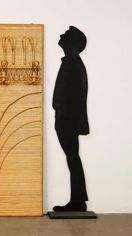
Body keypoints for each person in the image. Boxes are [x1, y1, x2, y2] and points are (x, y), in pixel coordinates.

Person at [52, 26, 89, 211]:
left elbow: (76, 96)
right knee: (72, 157)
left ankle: (78, 202)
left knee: (72, 157)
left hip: (68, 119)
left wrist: (63, 114)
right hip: (65, 117)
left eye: (65, 35)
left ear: (72, 43)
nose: (61, 35)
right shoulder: (71, 62)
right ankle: (78, 200)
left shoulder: (73, 64)